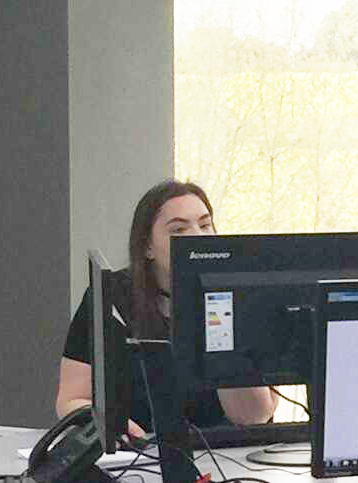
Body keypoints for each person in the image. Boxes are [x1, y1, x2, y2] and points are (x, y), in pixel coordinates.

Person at [52, 179, 277, 445]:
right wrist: (109, 424)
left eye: (205, 225)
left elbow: (253, 416)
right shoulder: (112, 295)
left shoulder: (241, 294)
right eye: (179, 229)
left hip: (228, 453)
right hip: (139, 451)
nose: (197, 237)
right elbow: (70, 399)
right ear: (147, 246)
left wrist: (222, 321)